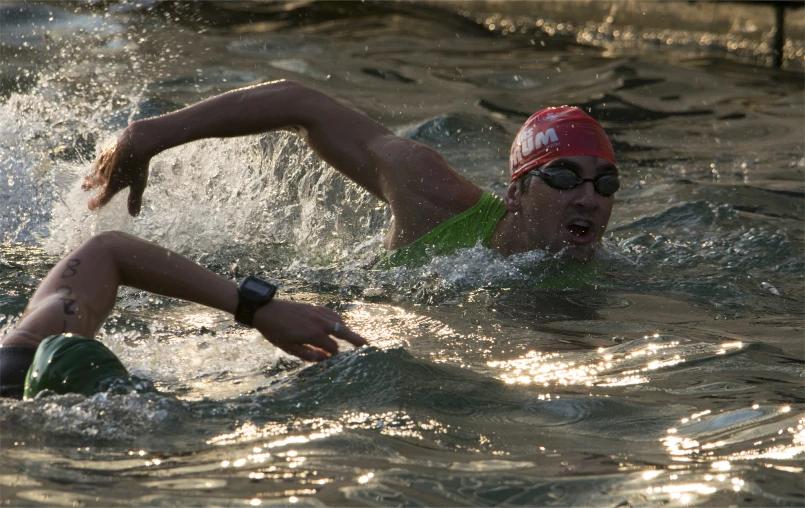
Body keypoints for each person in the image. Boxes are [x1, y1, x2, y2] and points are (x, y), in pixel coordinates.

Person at [83, 80, 619, 267]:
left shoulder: (600, 277)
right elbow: (303, 104)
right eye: (565, 177)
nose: (589, 198)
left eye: (605, 184)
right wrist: (151, 134)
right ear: (518, 192)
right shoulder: (435, 196)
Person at [0, 231, 366, 400]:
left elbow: (108, 250)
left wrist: (258, 308)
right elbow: (106, 249)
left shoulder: (21, 359)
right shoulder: (24, 358)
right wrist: (254, 307)